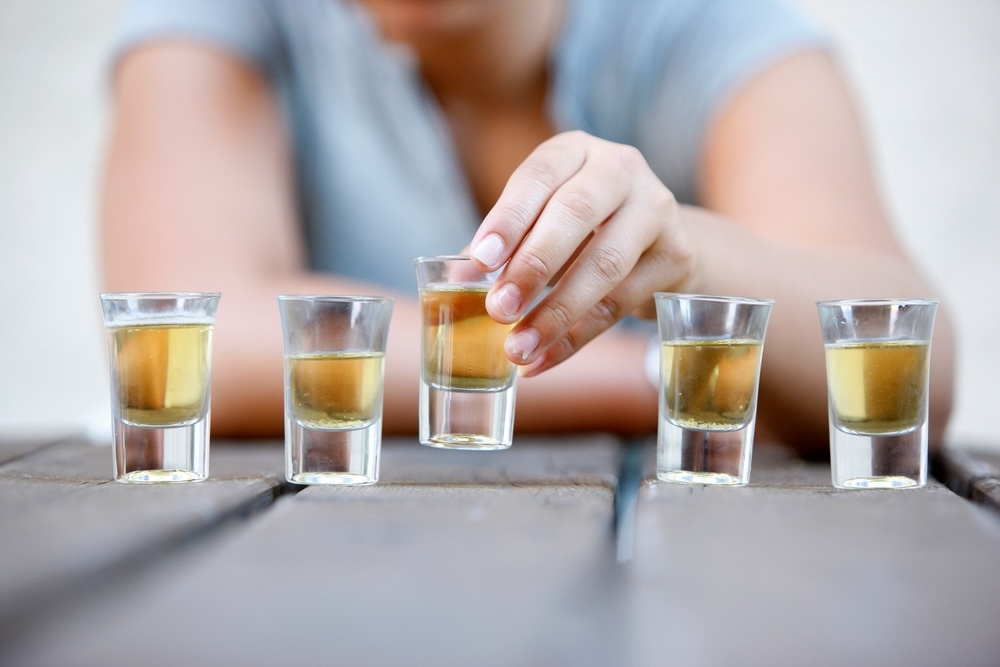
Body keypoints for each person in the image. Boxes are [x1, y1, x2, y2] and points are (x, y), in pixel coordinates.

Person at [100, 0, 955, 456]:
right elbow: (191, 340)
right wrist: (669, 377)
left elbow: (913, 357)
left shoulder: (703, 25)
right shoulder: (223, 18)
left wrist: (690, 257)